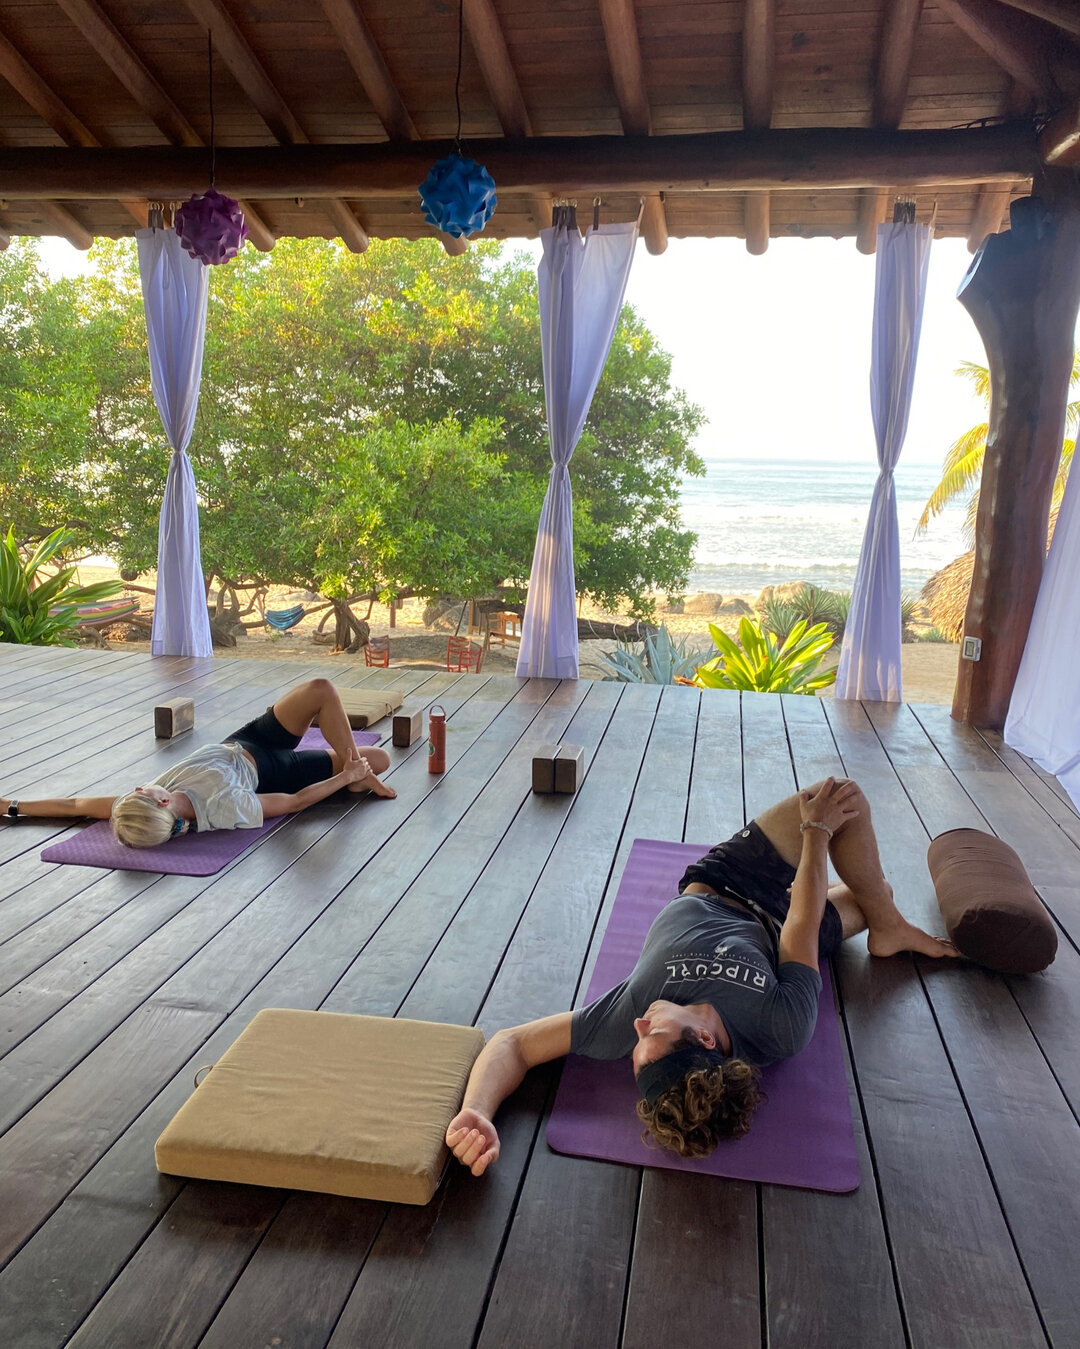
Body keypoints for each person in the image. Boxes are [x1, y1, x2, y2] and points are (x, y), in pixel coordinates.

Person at [446, 777, 957, 1173]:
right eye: (654, 1037)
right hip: (779, 931)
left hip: (723, 881)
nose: (639, 1028)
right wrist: (816, 833)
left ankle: (888, 925)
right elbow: (800, 925)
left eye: (636, 1047)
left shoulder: (629, 1016)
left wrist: (478, 1110)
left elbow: (513, 1044)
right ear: (707, 1038)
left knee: (836, 796)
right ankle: (884, 920)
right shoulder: (778, 1028)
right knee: (868, 874)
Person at [0, 678, 396, 848]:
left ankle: (357, 775)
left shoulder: (141, 806)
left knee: (321, 690)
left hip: (249, 738)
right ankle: (359, 778)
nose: (139, 787)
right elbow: (293, 803)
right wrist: (345, 774)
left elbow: (74, 807)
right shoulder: (227, 808)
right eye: (144, 792)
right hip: (276, 770)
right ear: (161, 804)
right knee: (377, 759)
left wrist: (13, 808)